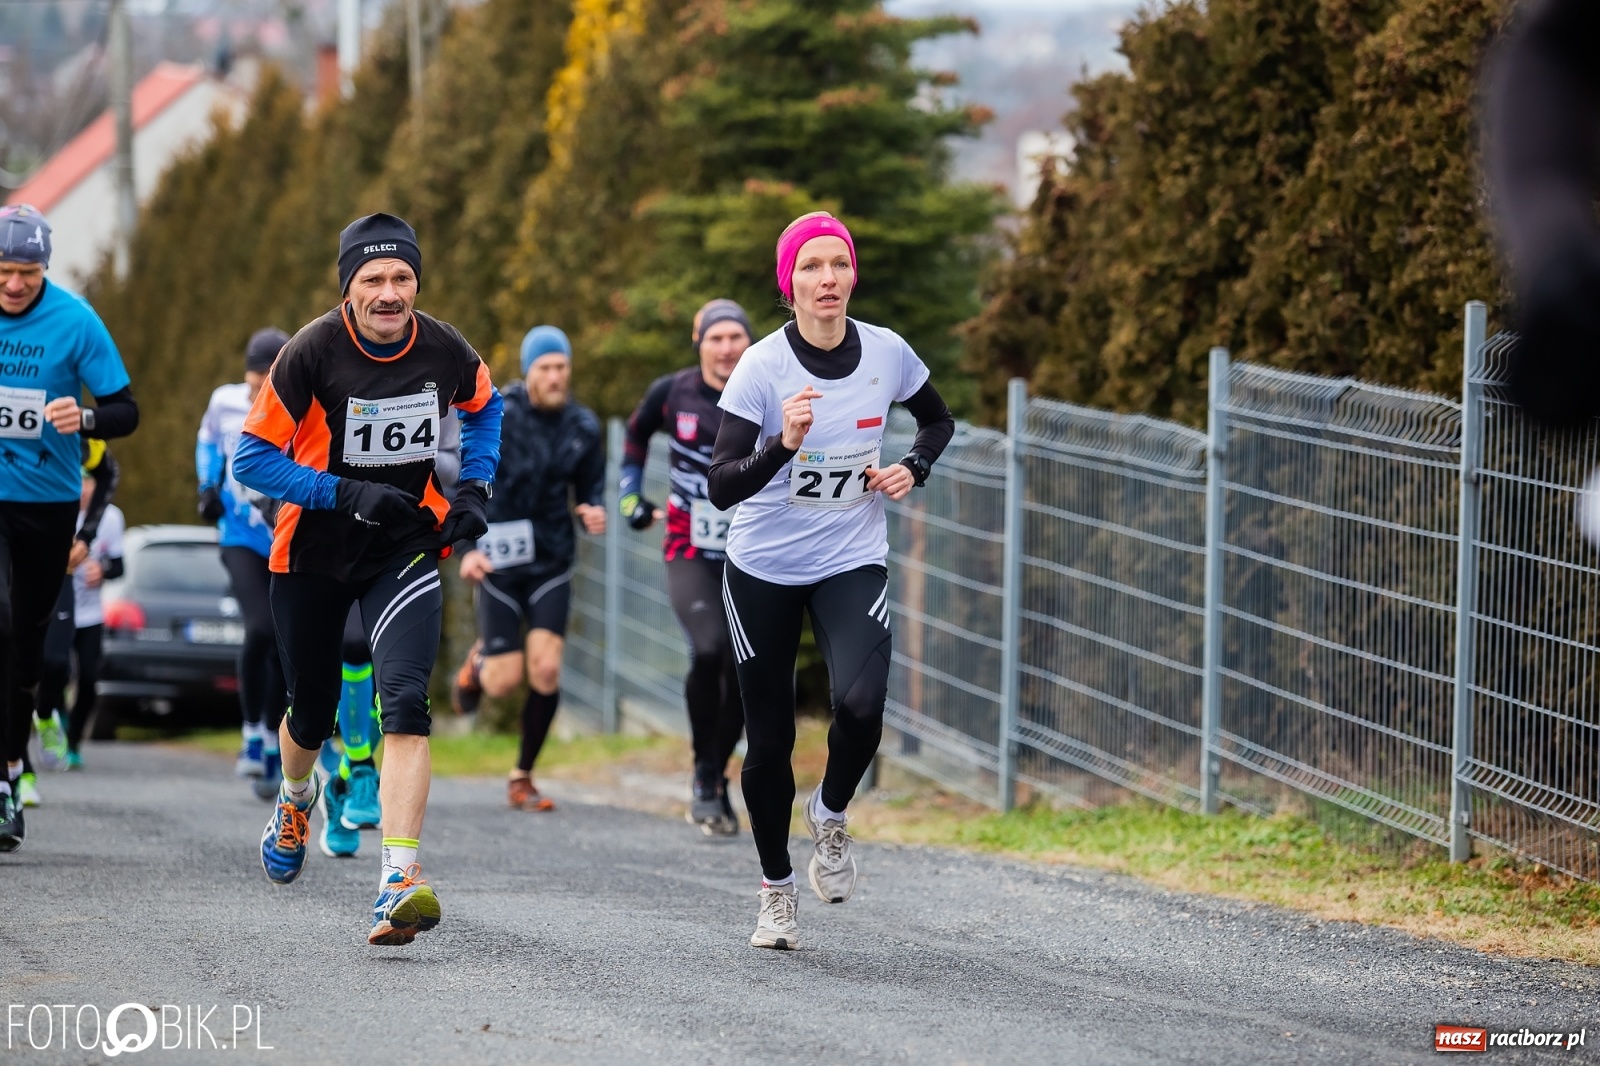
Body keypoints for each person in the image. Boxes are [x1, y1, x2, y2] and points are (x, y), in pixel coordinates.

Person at [233, 212, 501, 945]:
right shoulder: (310, 353)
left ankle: (397, 882)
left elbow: (486, 408)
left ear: (418, 282)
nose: (390, 292)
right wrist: (344, 491)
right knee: (311, 711)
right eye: (373, 279)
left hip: (403, 547)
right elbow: (252, 461)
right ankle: (295, 797)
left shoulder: (445, 349)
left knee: (406, 704)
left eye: (402, 278)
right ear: (348, 288)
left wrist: (474, 489)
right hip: (313, 550)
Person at [707, 212, 954, 950]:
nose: (827, 279)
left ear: (852, 275)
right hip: (762, 568)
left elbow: (936, 422)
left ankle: (832, 812)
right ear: (791, 284)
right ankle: (776, 891)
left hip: (851, 554)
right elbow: (721, 486)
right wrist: (783, 444)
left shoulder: (887, 352)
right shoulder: (761, 367)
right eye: (811, 266)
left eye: (837, 264)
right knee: (771, 740)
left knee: (860, 701)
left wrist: (913, 466)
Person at [0, 204, 138, 852]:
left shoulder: (76, 320)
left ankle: (9, 770)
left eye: (26, 272)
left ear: (43, 269)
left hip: (46, 503)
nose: (14, 284)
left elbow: (125, 410)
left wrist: (82, 419)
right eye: (3, 272)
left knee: (26, 647)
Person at [449, 325, 604, 811]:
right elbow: (466, 479)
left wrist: (592, 509)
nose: (556, 377)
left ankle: (523, 775)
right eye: (546, 368)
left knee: (546, 668)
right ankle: (477, 665)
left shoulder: (583, 426)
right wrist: (466, 548)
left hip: (552, 560)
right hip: (497, 560)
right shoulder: (500, 414)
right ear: (528, 371)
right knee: (502, 681)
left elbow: (590, 488)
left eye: (562, 367)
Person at [620, 299, 753, 835]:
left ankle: (717, 775)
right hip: (688, 545)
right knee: (711, 649)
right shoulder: (672, 392)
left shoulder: (766, 386)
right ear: (699, 344)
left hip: (754, 550)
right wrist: (631, 495)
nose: (726, 349)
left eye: (735, 338)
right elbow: (634, 438)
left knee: (749, 669)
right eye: (715, 339)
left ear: (748, 343)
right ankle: (704, 774)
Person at [198, 328, 291, 797]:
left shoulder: (301, 403)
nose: (259, 391)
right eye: (253, 381)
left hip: (284, 537)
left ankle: (274, 741)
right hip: (240, 537)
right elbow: (208, 443)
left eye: (268, 380)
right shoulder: (225, 402)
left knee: (280, 640)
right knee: (258, 629)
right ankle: (252, 731)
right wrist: (206, 487)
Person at [34, 444, 123, 779]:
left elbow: (119, 565)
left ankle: (72, 742)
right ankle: (52, 718)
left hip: (91, 614)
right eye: (80, 482)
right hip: (58, 602)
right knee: (54, 668)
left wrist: (103, 571)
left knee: (88, 678)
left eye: (90, 483)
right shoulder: (57, 507)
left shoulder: (110, 518)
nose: (85, 489)